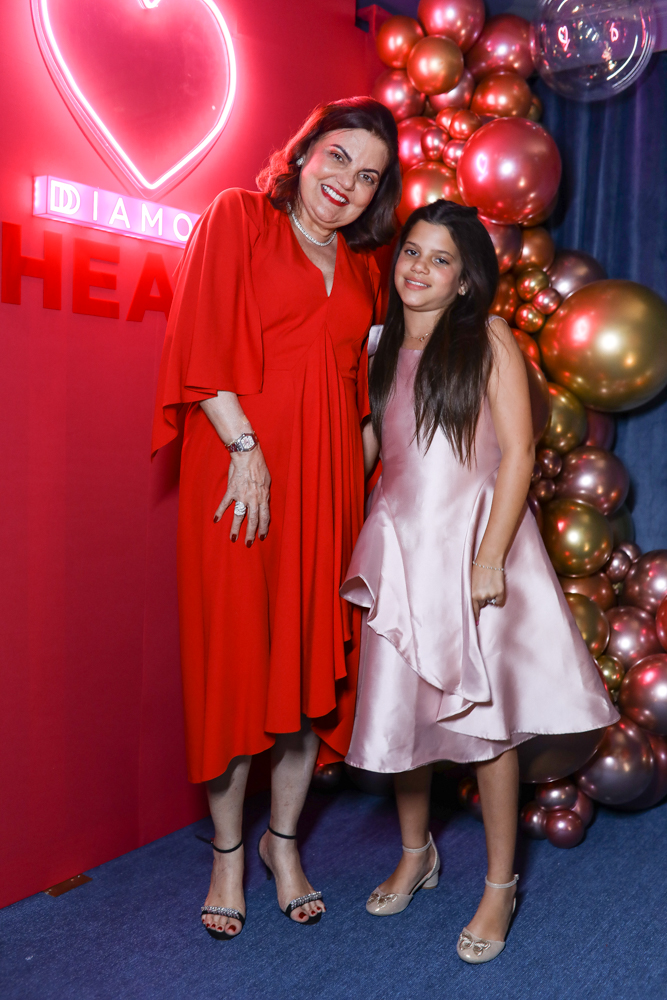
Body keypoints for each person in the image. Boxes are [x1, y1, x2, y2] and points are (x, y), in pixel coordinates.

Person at [340, 200, 618, 963]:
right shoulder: (379, 345)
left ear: (464, 281)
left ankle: (499, 885)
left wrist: (489, 558)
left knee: (484, 727)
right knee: (401, 717)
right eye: (411, 252)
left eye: (440, 259)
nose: (419, 269)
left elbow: (519, 454)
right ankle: (414, 854)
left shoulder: (487, 336)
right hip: (401, 551)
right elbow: (369, 449)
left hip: (474, 550)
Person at [151, 98, 400, 939]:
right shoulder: (240, 218)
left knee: (301, 678)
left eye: (368, 176)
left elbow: (364, 401)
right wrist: (246, 448)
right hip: (238, 476)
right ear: (302, 155)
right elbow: (198, 340)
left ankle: (281, 845)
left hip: (325, 491)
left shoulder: (365, 270)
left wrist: (364, 492)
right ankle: (227, 854)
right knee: (232, 669)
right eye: (337, 157)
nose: (347, 183)